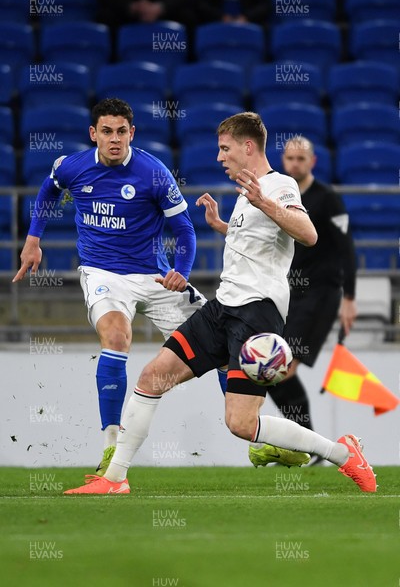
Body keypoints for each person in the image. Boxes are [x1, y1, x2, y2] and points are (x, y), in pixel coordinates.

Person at [62, 112, 376, 495]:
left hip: (256, 313)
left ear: (248, 147)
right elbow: (259, 240)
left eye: (225, 149)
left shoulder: (278, 186)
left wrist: (264, 202)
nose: (219, 157)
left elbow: (307, 234)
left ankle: (342, 453)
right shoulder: (248, 193)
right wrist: (223, 226)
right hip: (222, 308)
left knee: (242, 424)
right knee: (151, 378)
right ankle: (114, 479)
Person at [13, 97, 211, 475]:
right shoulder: (72, 167)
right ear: (94, 134)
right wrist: (33, 239)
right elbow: (48, 190)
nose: (115, 139)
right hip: (102, 273)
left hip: (154, 276)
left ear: (132, 133)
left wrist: (181, 270)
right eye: (107, 131)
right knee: (117, 337)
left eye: (122, 131)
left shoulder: (154, 173)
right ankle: (110, 445)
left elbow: (185, 230)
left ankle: (249, 430)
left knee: (219, 341)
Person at [248, 136, 357, 468]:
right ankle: (307, 446)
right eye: (289, 158)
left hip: (322, 295)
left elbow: (347, 249)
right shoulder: (281, 195)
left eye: (300, 159)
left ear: (312, 162)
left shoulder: (328, 200)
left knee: (280, 368)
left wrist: (349, 299)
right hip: (289, 294)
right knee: (273, 372)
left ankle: (308, 447)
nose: (294, 164)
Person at [96, 0, 193, 28]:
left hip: (165, 12)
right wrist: (132, 6)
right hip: (126, 13)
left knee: (188, 17)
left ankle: (185, 62)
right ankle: (115, 63)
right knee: (106, 18)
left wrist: (159, 8)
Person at [195, 0, 270, 25]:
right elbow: (201, 5)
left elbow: (264, 5)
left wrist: (247, 17)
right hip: (215, 21)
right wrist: (220, 17)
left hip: (249, 21)